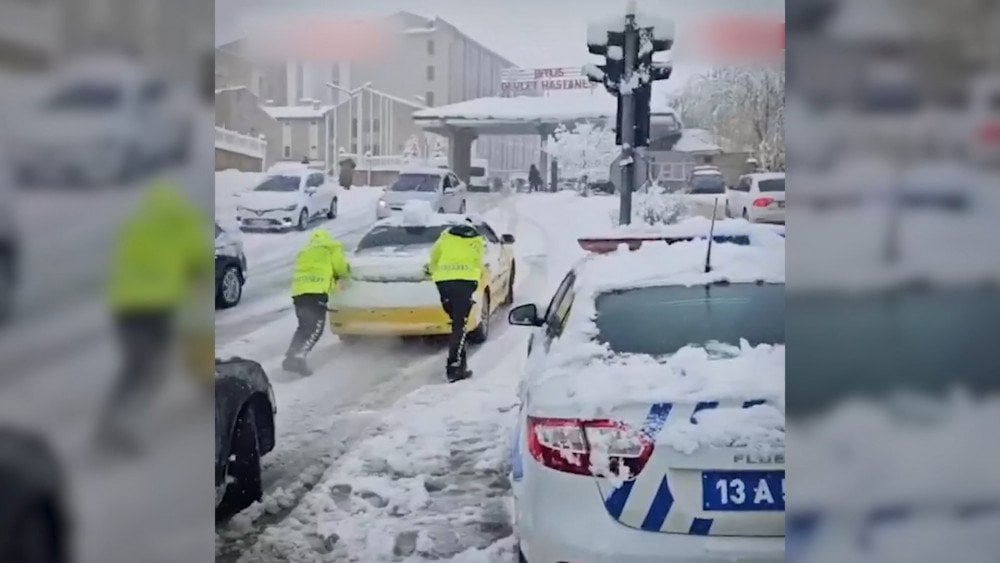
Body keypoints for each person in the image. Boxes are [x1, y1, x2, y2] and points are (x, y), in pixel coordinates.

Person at [103, 179, 211, 451]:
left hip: (126, 306)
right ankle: (121, 426)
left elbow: (121, 262)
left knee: (135, 365)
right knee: (152, 367)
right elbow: (198, 264)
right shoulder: (184, 226)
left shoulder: (136, 226)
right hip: (158, 308)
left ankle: (116, 419)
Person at [284, 230, 351, 375]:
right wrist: (345, 274)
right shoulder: (332, 247)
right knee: (315, 329)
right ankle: (297, 359)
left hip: (298, 292)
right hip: (316, 293)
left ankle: (291, 355)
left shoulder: (305, 251)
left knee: (304, 326)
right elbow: (340, 267)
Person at [426, 221, 485, 382]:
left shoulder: (445, 238)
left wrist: (432, 272)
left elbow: (434, 257)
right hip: (465, 283)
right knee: (460, 325)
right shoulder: (477, 241)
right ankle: (454, 367)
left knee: (457, 324)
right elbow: (477, 262)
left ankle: (460, 365)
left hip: (444, 283)